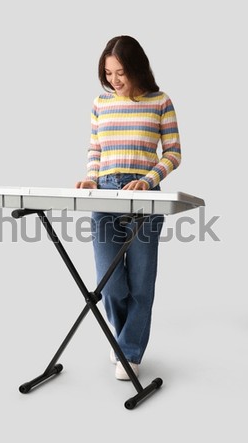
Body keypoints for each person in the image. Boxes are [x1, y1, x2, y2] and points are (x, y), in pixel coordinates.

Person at [76, 35, 181, 380]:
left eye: (120, 72)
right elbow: (95, 151)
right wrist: (92, 178)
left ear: (136, 68)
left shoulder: (160, 102)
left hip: (144, 195)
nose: (113, 80)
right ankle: (120, 338)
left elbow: (173, 153)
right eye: (108, 73)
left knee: (141, 280)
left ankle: (130, 350)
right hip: (104, 193)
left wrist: (148, 180)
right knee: (109, 282)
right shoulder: (99, 104)